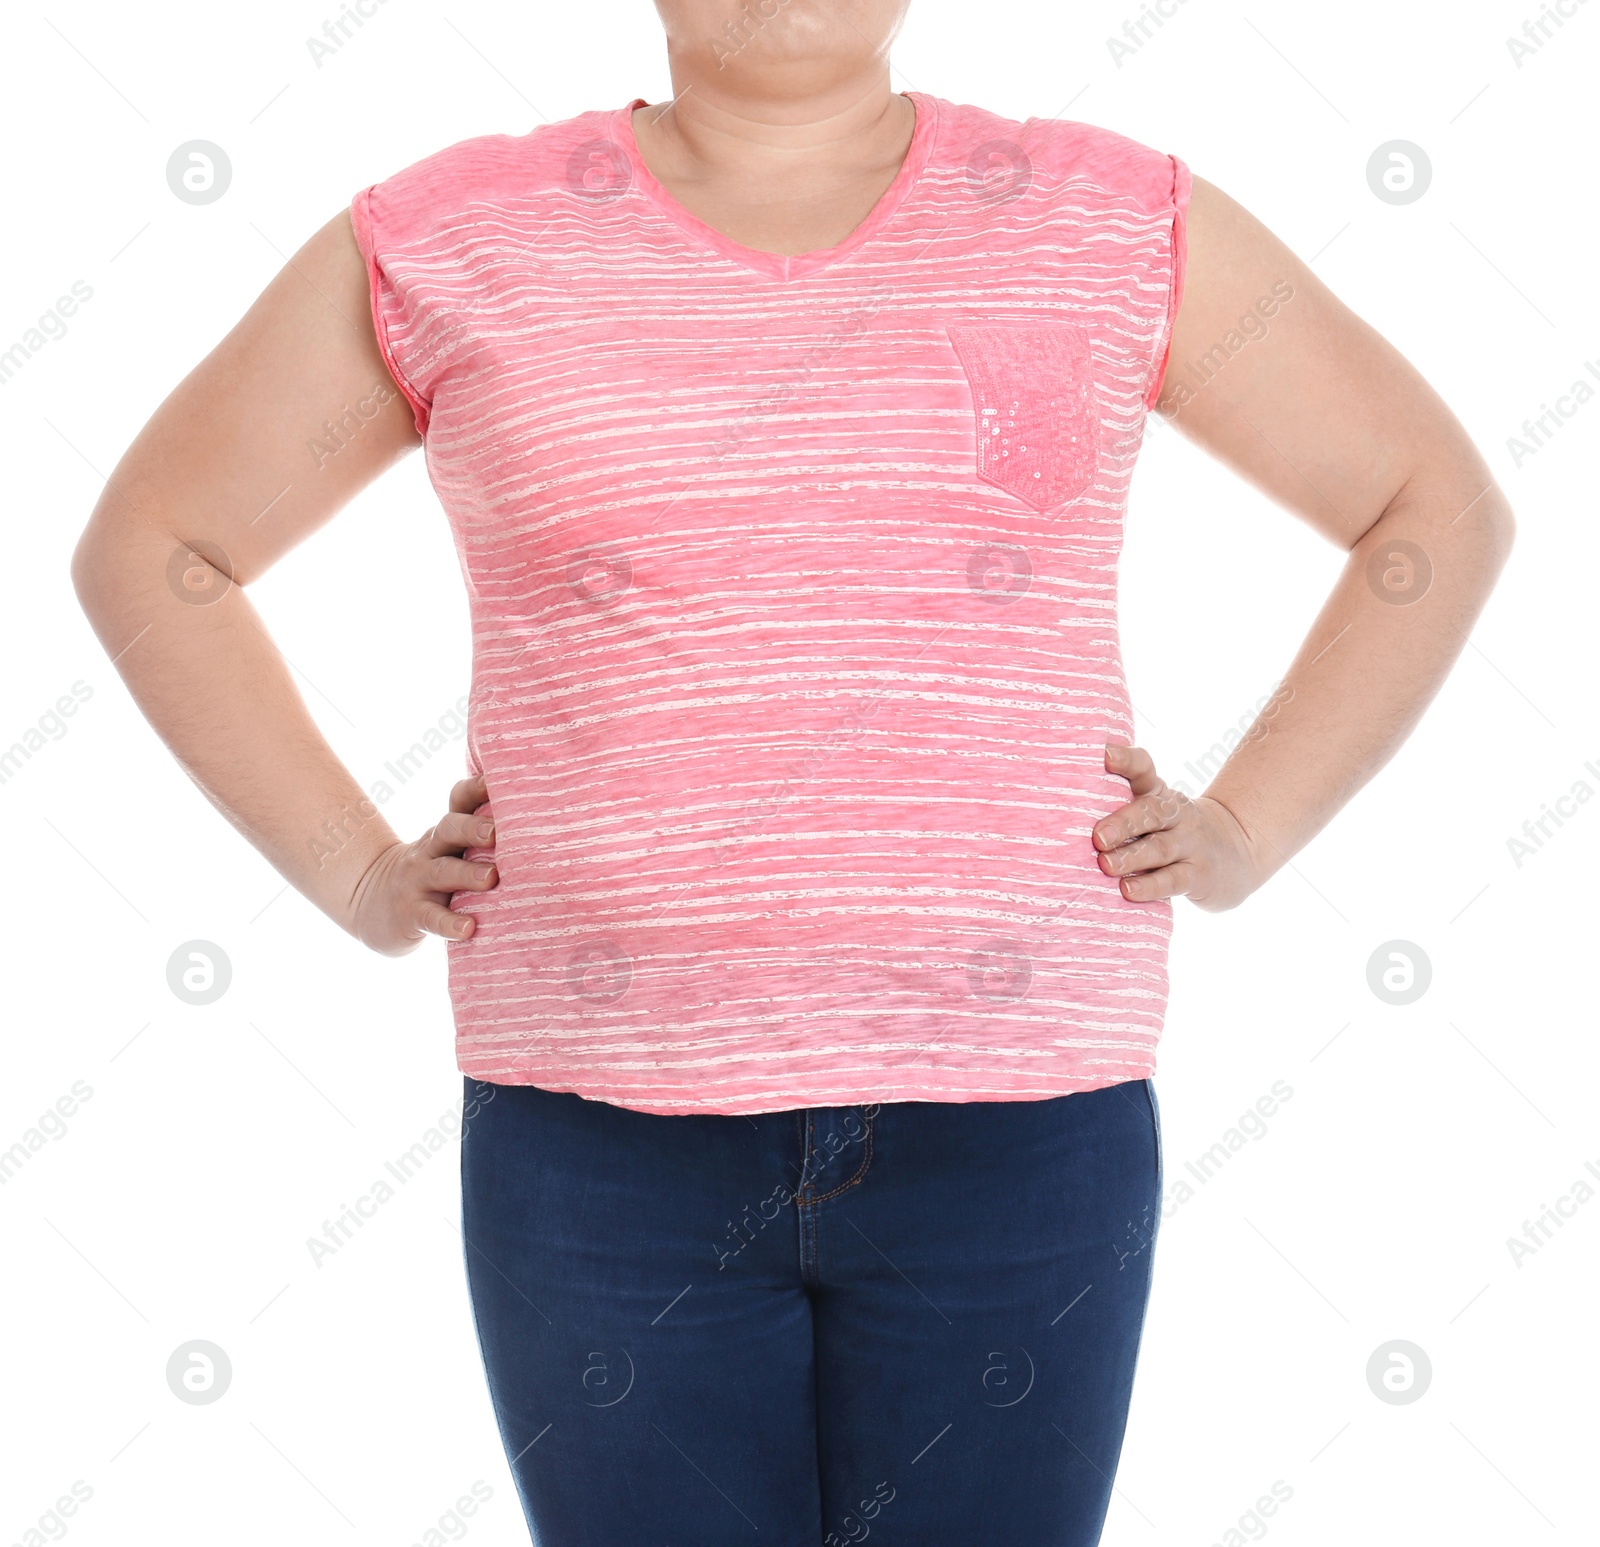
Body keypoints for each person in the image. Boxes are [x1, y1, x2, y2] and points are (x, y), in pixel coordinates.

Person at [69, 2, 1513, 1541]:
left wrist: (1247, 825)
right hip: (599, 1144)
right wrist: (356, 870)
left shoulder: (1102, 217)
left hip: (1019, 1131)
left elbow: (1434, 507)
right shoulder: (453, 238)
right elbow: (157, 554)